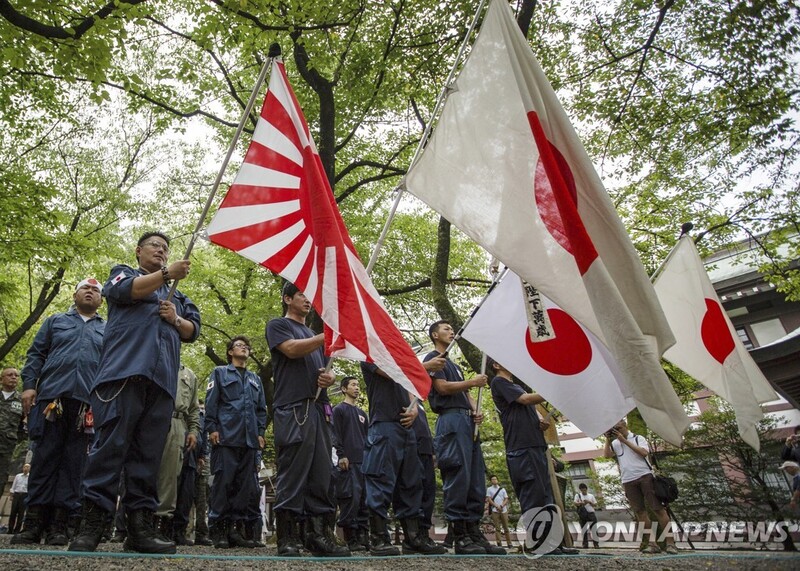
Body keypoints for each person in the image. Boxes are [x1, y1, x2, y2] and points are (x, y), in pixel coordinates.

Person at [68, 231, 201, 554]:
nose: (162, 251)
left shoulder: (176, 294)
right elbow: (126, 291)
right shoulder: (124, 273)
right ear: (139, 251)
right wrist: (167, 274)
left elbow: (193, 330)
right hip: (123, 374)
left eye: (166, 249)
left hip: (161, 382)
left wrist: (176, 317)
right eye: (155, 246)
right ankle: (92, 525)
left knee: (148, 458)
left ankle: (139, 527)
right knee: (109, 450)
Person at [12, 278, 105, 546]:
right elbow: (36, 355)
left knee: (74, 466)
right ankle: (32, 525)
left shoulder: (107, 329)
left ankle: (59, 526)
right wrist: (30, 386)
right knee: (44, 459)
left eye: (96, 290)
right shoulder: (55, 321)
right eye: (85, 288)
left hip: (86, 406)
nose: (90, 292)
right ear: (75, 295)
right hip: (52, 400)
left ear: (101, 300)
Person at [266, 283, 347, 557]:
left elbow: (327, 371)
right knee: (293, 471)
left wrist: (330, 378)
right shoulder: (279, 325)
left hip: (320, 410)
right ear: (287, 298)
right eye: (302, 294)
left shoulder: (313, 335)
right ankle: (287, 538)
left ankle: (318, 535)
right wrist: (325, 337)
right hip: (294, 409)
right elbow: (290, 349)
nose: (308, 300)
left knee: (322, 473)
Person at [424, 321, 503, 555]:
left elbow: (466, 393)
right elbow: (443, 388)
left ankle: (473, 530)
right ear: (435, 334)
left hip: (467, 421)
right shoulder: (434, 358)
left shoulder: (455, 365)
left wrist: (475, 409)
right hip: (451, 421)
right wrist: (472, 381)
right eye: (446, 329)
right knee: (458, 473)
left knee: (475, 477)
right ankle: (459, 534)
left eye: (451, 329)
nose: (451, 332)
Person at [488, 358, 576, 556]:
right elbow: (526, 400)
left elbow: (530, 408)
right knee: (533, 496)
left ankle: (553, 542)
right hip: (521, 448)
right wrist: (555, 391)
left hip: (536, 445)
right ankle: (539, 542)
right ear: (496, 365)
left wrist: (541, 423)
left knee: (546, 495)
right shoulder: (499, 383)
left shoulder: (517, 386)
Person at [361, 360, 446, 556]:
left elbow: (407, 381)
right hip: (384, 425)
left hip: (407, 428)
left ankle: (413, 538)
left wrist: (414, 406)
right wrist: (424, 366)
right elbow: (391, 372)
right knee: (380, 481)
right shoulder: (370, 353)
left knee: (411, 483)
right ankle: (379, 538)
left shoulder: (399, 355)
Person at [205, 336, 267, 549]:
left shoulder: (255, 379)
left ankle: (236, 530)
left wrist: (260, 432)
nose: (245, 349)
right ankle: (219, 530)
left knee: (244, 487)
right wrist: (212, 428)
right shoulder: (220, 373)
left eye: (247, 346)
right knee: (223, 484)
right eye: (240, 346)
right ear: (230, 352)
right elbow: (211, 402)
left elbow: (261, 410)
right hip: (226, 438)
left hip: (249, 441)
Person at [603, 418, 678, 554]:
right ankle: (652, 543)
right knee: (640, 512)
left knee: (658, 509)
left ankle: (670, 543)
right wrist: (608, 440)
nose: (615, 427)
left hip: (645, 477)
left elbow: (644, 453)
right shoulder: (615, 443)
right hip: (628, 480)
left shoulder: (638, 438)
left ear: (624, 424)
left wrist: (624, 441)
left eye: (617, 425)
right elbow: (607, 455)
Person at [155, 363, 200, 546]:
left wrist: (193, 430)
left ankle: (162, 525)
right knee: (142, 471)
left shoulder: (189, 374)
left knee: (170, 476)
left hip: (177, 422)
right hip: (153, 418)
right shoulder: (153, 360)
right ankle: (136, 524)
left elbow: (194, 407)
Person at [331, 376, 369, 551]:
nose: (357, 388)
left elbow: (367, 438)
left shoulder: (363, 414)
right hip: (348, 463)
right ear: (344, 389)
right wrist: (341, 455)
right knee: (350, 500)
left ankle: (363, 537)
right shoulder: (338, 410)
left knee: (364, 501)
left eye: (358, 385)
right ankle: (350, 538)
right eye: (353, 385)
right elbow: (335, 434)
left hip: (364, 463)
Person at [0, 367, 24, 498]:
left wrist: (12, 438)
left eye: (16, 375)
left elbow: (24, 427)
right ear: (1, 379)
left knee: (1, 478)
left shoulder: (21, 400)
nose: (14, 377)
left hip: (6, 448)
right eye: (10, 375)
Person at [192, 399, 212, 546]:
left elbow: (204, 436)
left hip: (202, 459)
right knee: (185, 495)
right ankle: (180, 530)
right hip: (188, 455)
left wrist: (203, 455)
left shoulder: (206, 417)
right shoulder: (190, 413)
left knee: (202, 498)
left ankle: (201, 532)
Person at [485, 475, 513, 549]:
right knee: (497, 528)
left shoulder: (502, 489)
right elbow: (489, 499)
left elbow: (506, 498)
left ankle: (509, 543)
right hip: (495, 510)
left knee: (506, 528)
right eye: (492, 479)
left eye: (495, 479)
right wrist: (496, 506)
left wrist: (501, 506)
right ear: (491, 481)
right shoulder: (489, 489)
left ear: (497, 480)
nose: (494, 480)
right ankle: (499, 543)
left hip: (504, 510)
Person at [574, 483, 600, 548]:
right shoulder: (578, 496)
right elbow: (575, 503)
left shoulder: (591, 496)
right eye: (582, 490)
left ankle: (596, 544)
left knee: (594, 529)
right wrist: (581, 503)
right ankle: (585, 544)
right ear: (580, 490)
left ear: (586, 489)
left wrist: (589, 502)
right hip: (582, 514)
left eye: (584, 490)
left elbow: (595, 504)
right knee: (584, 529)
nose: (583, 492)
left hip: (591, 513)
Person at [8, 464, 30, 534]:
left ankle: (17, 530)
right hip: (17, 494)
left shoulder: (30, 477)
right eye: (24, 467)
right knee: (13, 513)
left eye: (27, 467)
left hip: (24, 495)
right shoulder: (18, 476)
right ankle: (10, 529)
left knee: (21, 513)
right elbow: (13, 486)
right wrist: (11, 495)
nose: (25, 468)